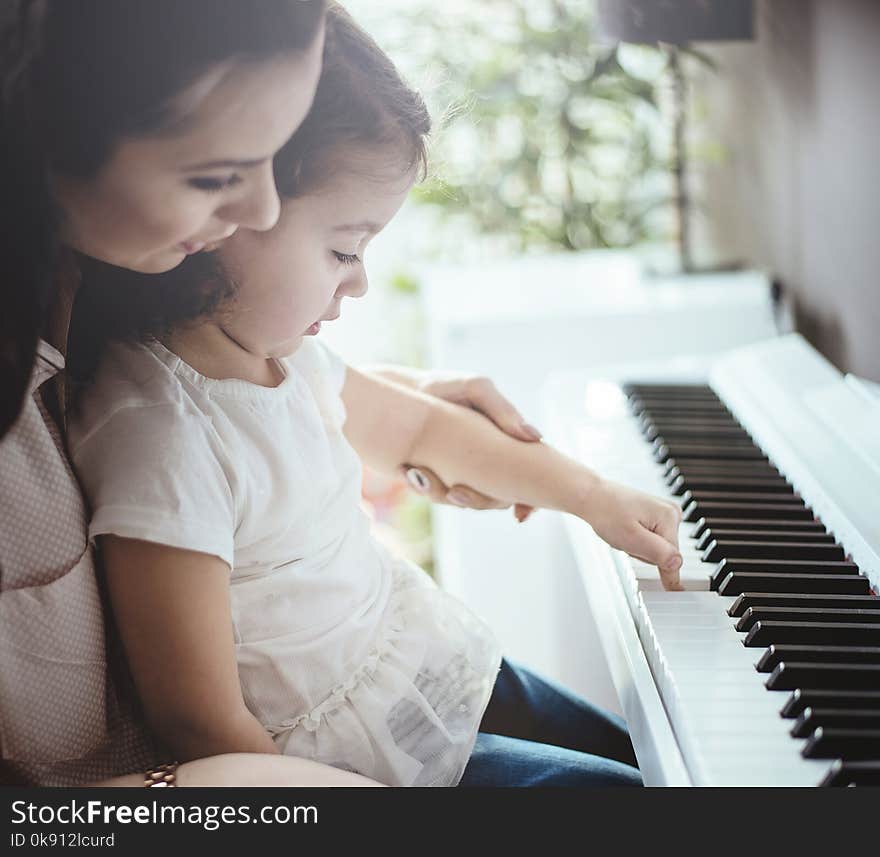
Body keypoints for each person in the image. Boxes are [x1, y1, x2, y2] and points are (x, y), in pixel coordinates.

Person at [68, 4, 684, 788]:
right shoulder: (160, 435)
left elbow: (424, 431)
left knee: (652, 757)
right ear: (228, 215)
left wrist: (592, 496)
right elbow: (198, 720)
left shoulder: (289, 357)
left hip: (427, 667)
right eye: (343, 249)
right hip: (354, 763)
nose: (357, 279)